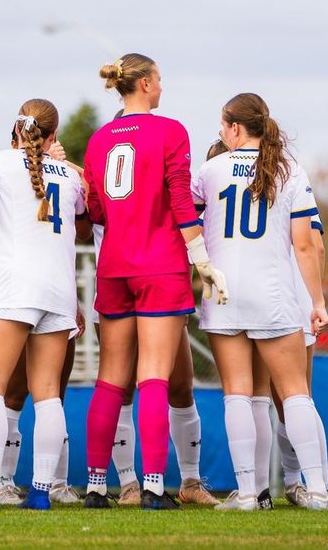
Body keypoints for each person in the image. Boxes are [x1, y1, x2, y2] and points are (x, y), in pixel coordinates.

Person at [80, 53, 229, 511]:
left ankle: (95, 488)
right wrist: (202, 259)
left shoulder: (99, 139)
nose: (162, 86)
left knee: (110, 379)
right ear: (144, 83)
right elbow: (182, 201)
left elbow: (96, 210)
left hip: (113, 266)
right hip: (159, 264)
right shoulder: (170, 130)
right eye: (159, 79)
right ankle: (152, 486)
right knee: (153, 378)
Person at [192, 93, 328, 512]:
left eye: (224, 125)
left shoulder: (210, 170)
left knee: (239, 394)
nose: (221, 132)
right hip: (272, 294)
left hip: (222, 294)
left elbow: (187, 225)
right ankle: (317, 490)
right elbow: (306, 245)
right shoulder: (288, 169)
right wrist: (317, 300)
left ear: (236, 128)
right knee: (294, 393)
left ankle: (248, 494)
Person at [0, 99, 90, 512]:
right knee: (48, 395)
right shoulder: (69, 175)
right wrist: (64, 162)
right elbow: (86, 213)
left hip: (14, 287)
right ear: (53, 135)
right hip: (59, 291)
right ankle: (42, 492)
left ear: (16, 129)